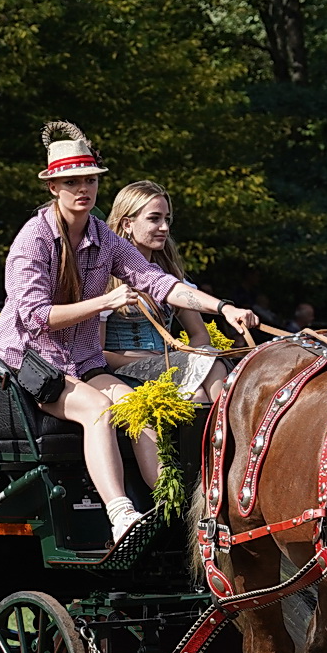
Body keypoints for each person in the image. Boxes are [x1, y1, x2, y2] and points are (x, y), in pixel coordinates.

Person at [0, 122, 257, 542]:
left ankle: (172, 512)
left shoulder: (103, 237)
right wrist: (104, 302)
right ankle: (121, 515)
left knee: (139, 407)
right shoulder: (33, 240)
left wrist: (224, 308)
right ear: (53, 188)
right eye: (72, 181)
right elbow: (35, 316)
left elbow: (161, 283)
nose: (84, 189)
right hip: (32, 365)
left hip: (83, 362)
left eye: (91, 180)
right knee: (98, 410)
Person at [100, 180, 232, 489]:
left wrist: (182, 362)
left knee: (202, 386)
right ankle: (174, 488)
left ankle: (217, 469)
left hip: (167, 367)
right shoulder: (105, 280)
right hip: (121, 373)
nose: (164, 227)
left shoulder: (171, 277)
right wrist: (150, 361)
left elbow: (199, 335)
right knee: (210, 369)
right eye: (154, 218)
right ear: (126, 224)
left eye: (167, 219)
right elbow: (93, 353)